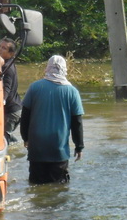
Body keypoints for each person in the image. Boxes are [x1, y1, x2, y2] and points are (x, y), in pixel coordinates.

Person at [20, 55, 85, 184]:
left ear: (47, 68)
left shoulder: (34, 88)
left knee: (36, 186)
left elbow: (25, 116)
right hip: (58, 149)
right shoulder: (72, 92)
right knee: (58, 189)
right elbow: (76, 123)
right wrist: (79, 146)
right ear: (64, 69)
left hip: (36, 149)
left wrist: (25, 138)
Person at [0, 38, 22, 144]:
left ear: (11, 53)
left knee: (3, 139)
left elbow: (6, 88)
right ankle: (15, 143)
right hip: (15, 109)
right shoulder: (5, 64)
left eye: (3, 48)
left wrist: (1, 101)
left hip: (11, 112)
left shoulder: (7, 68)